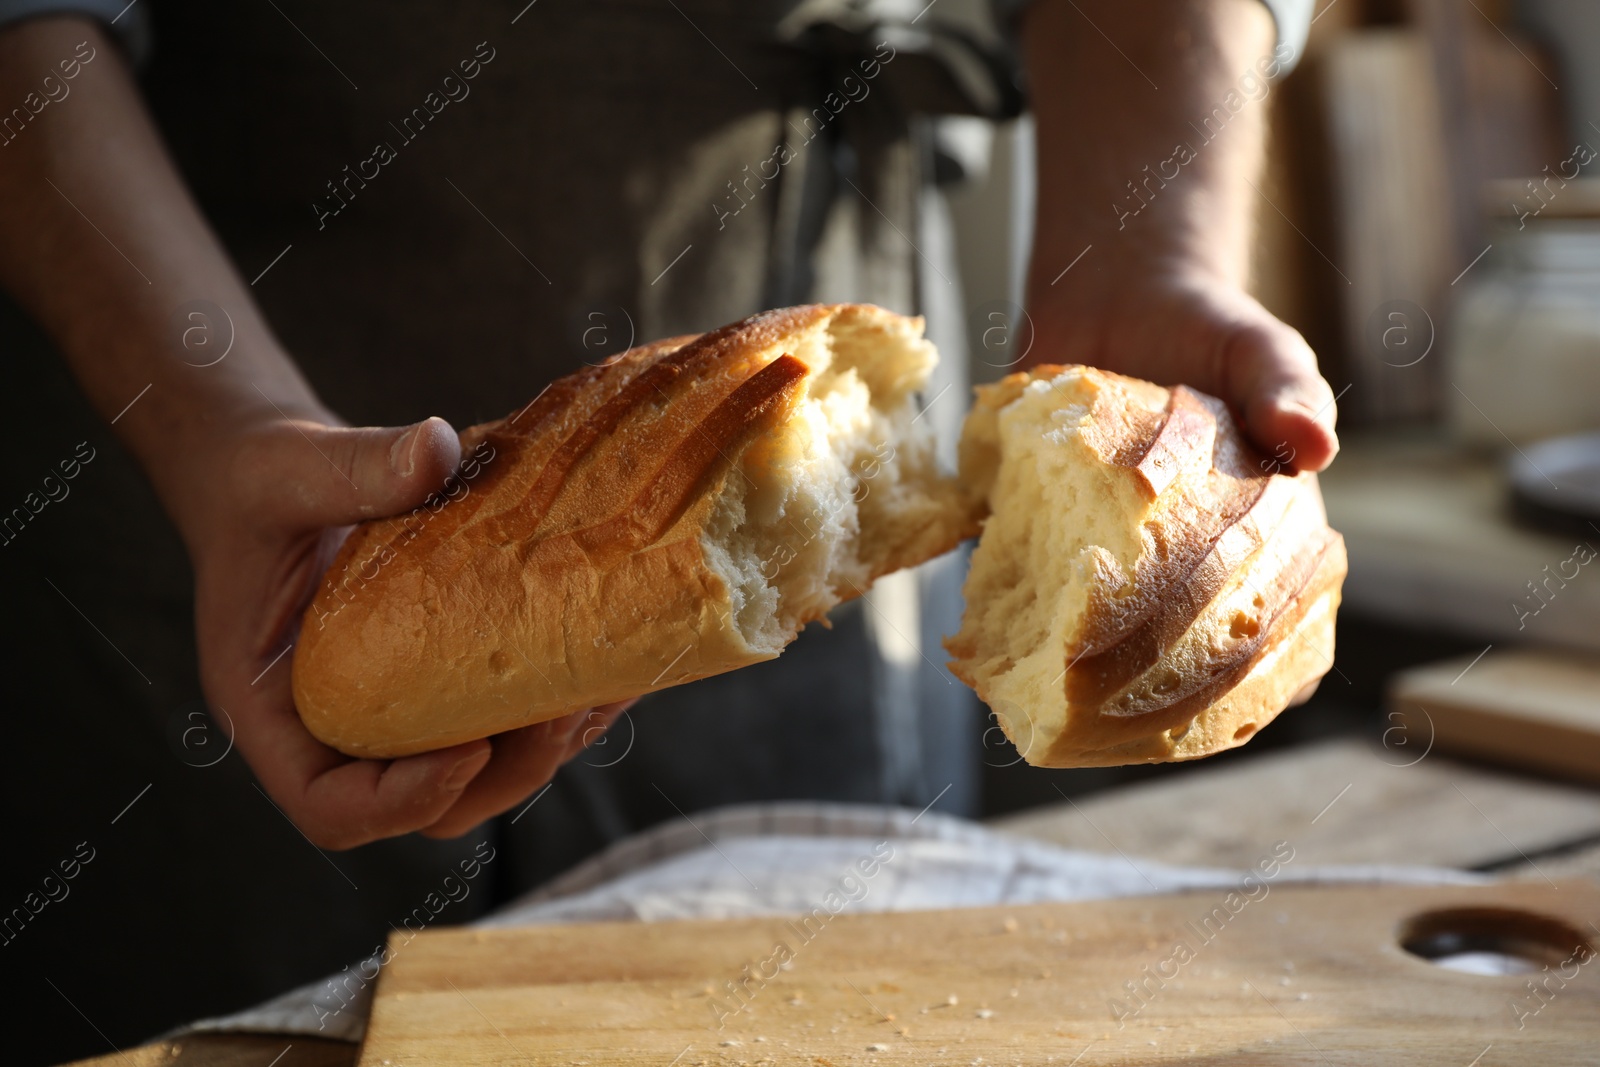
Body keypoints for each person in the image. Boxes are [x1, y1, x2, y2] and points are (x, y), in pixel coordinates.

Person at [0, 0, 1335, 1060]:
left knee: (793, 1027)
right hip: (218, 451)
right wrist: (213, 419)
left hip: (797, 387)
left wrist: (1148, 251)